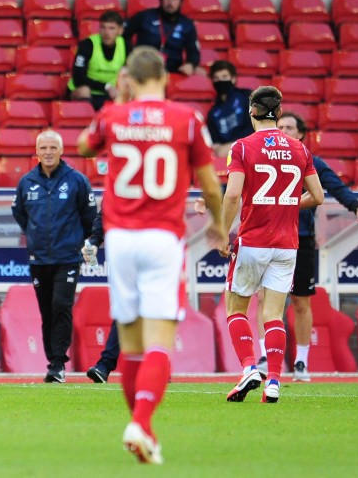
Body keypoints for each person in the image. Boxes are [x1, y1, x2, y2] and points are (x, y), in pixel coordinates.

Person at [78, 47, 225, 464]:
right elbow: (211, 186)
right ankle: (141, 423)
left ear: (129, 79)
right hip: (162, 237)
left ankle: (145, 432)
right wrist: (216, 222)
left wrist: (118, 106)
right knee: (161, 340)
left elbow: (85, 146)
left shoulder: (113, 116)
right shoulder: (187, 119)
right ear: (164, 76)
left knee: (130, 342)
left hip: (120, 238)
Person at [221, 87, 324, 405]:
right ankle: (275, 382)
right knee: (273, 314)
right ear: (278, 114)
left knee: (236, 308)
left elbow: (234, 194)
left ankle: (250, 367)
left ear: (252, 111)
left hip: (253, 240)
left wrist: (223, 232)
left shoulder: (241, 147)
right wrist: (288, 204)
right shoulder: (300, 150)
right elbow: (318, 197)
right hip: (287, 244)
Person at [251, 112, 358, 382]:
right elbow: (237, 185)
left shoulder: (310, 161)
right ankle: (264, 357)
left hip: (300, 238)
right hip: (266, 236)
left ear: (301, 133)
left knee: (300, 301)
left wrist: (357, 206)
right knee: (263, 298)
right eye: (279, 126)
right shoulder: (260, 158)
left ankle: (302, 363)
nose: (283, 130)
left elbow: (334, 186)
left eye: (289, 127)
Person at [11, 130, 97, 383]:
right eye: (43, 148)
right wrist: (36, 236)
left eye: (52, 148)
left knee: (61, 305)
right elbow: (20, 213)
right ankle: (53, 363)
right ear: (36, 152)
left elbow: (90, 217)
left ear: (61, 151)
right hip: (39, 259)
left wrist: (79, 242)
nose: (48, 152)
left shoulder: (77, 181)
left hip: (68, 257)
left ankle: (58, 362)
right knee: (47, 311)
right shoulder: (27, 182)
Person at [124, 0, 201, 76]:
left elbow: (193, 50)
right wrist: (130, 55)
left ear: (181, 2)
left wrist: (191, 64)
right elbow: (124, 37)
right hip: (143, 68)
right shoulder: (144, 16)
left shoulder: (187, 24)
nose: (170, 3)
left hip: (172, 70)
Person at [81, 208, 121, 384]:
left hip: (154, 248)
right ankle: (104, 365)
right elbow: (107, 210)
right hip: (130, 249)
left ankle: (159, 367)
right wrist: (95, 241)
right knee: (125, 312)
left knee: (153, 312)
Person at [69, 11, 128, 111]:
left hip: (110, 92)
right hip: (86, 90)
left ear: (120, 30)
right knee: (84, 90)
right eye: (103, 27)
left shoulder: (126, 46)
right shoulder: (87, 45)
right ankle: (86, 121)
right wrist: (106, 86)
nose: (106, 32)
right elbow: (78, 78)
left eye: (111, 28)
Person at [206, 61, 253, 158]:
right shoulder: (213, 113)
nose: (220, 81)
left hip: (251, 145)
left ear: (233, 79)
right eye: (216, 78)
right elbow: (216, 144)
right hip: (228, 154)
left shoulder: (247, 96)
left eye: (224, 77)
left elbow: (254, 127)